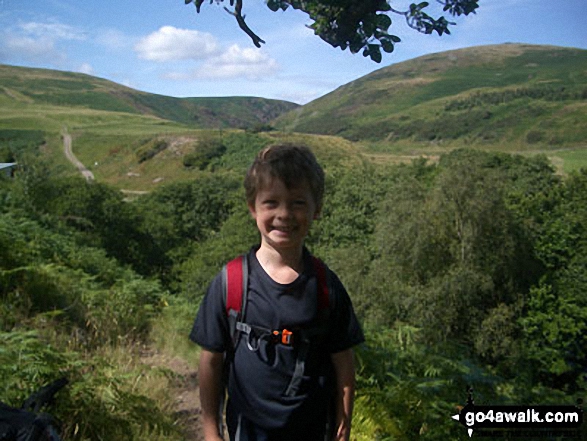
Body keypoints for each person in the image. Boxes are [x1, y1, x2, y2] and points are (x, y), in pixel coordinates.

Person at [190, 144, 364, 441]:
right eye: (271, 202)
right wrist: (210, 431)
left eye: (298, 203)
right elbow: (211, 360)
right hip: (248, 433)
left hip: (313, 431)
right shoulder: (230, 283)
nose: (284, 214)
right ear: (252, 207)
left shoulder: (326, 286)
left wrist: (342, 426)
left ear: (316, 208)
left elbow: (343, 361)